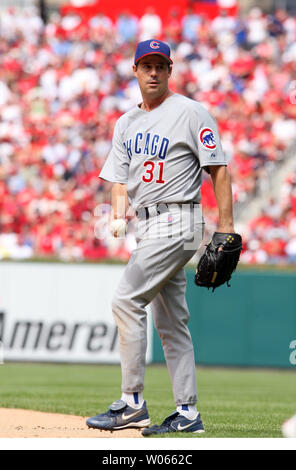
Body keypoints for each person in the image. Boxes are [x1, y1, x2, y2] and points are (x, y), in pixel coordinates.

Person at [86, 39, 235, 435]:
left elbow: (218, 168)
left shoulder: (190, 112)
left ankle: (131, 402)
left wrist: (227, 226)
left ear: (170, 71)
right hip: (148, 225)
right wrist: (118, 215)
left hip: (178, 218)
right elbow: (119, 178)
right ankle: (188, 413)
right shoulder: (125, 123)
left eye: (160, 65)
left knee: (125, 300)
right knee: (171, 324)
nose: (153, 72)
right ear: (135, 71)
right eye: (146, 65)